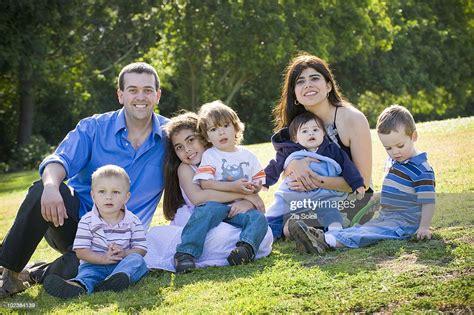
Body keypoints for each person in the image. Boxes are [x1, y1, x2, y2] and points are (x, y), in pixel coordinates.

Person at [0, 62, 168, 298]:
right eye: (132, 90)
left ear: (158, 95)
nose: (141, 97)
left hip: (121, 236)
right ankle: (9, 274)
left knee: (83, 267)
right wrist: (50, 186)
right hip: (74, 222)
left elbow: (200, 163)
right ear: (120, 95)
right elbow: (59, 160)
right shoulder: (94, 127)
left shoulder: (170, 137)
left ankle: (37, 273)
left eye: (148, 90)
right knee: (41, 190)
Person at [144, 112, 272, 272]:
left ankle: (245, 249)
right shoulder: (185, 168)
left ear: (204, 138)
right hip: (203, 215)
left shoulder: (221, 157)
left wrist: (247, 200)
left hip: (232, 212)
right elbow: (199, 198)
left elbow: (248, 184)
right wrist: (243, 194)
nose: (187, 150)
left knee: (260, 221)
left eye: (191, 140)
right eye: (179, 147)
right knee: (214, 222)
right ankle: (185, 253)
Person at [270, 52, 374, 249]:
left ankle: (326, 235)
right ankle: (314, 235)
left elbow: (363, 181)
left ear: (328, 85)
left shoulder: (352, 119)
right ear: (295, 94)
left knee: (320, 217)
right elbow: (285, 171)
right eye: (300, 81)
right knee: (287, 227)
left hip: (351, 198)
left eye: (315, 78)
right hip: (310, 200)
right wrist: (293, 163)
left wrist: (316, 181)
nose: (308, 85)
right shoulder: (297, 125)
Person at [299, 105, 436, 252]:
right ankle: (321, 236)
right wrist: (379, 197)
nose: (395, 152)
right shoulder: (394, 161)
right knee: (360, 228)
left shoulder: (422, 170)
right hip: (386, 217)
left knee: (369, 234)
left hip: (404, 223)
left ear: (413, 136)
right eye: (388, 148)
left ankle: (326, 241)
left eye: (400, 145)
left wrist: (424, 227)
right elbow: (397, 189)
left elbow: (428, 201)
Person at [43, 165, 148, 298]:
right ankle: (78, 286)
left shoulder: (133, 220)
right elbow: (81, 251)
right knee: (87, 274)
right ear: (93, 196)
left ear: (126, 197)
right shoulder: (87, 221)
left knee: (137, 260)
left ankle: (117, 279)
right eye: (102, 192)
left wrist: (125, 253)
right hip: (95, 265)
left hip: (122, 263)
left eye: (115, 192)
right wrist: (103, 258)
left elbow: (141, 249)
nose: (108, 197)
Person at [265, 111, 366, 245]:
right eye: (305, 131)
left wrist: (357, 183)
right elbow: (275, 166)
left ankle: (335, 230)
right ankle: (268, 236)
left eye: (315, 130)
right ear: (295, 138)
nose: (311, 133)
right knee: (276, 216)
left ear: (323, 133)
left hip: (322, 197)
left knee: (330, 210)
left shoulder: (332, 150)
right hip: (294, 197)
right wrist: (264, 181)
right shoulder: (289, 151)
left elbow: (347, 166)